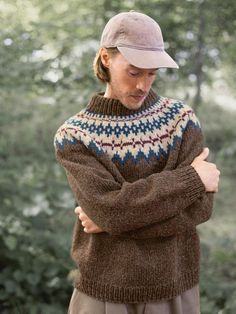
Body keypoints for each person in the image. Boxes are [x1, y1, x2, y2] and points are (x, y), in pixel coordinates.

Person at [54, 11, 220, 314]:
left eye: (152, 73)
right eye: (134, 72)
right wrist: (192, 180)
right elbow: (112, 210)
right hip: (103, 290)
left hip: (175, 288)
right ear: (106, 58)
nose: (143, 84)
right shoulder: (74, 136)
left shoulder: (181, 121)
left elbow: (200, 208)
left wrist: (111, 221)